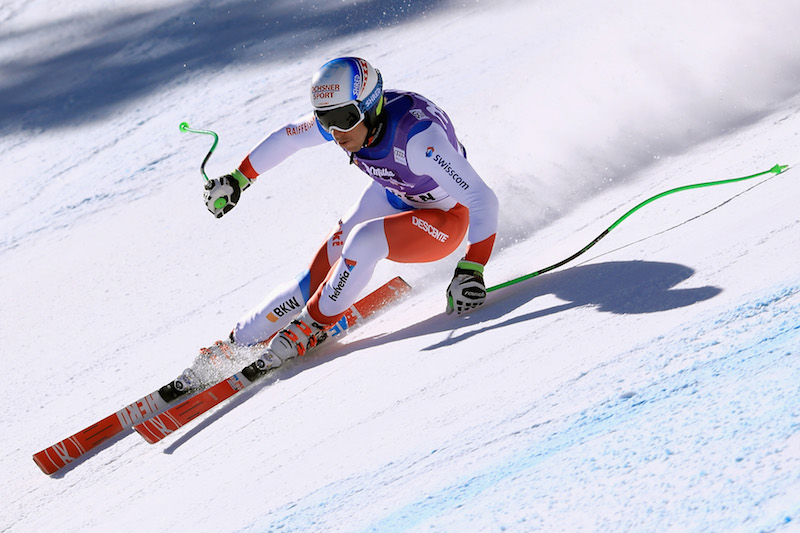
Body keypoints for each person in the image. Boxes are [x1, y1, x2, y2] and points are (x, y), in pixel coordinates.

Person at [189, 57, 499, 382]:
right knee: (317, 271)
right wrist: (239, 179)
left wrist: (471, 269)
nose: (336, 132)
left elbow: (481, 198)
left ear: (370, 107)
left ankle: (310, 327)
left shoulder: (419, 139)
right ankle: (235, 345)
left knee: (364, 240)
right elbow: (289, 137)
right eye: (325, 120)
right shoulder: (349, 121)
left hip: (444, 219)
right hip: (392, 193)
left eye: (344, 118)